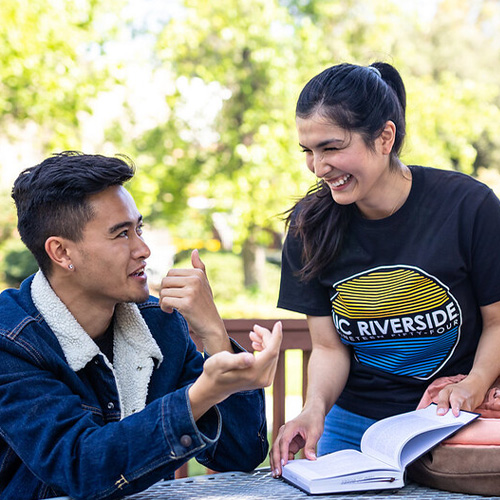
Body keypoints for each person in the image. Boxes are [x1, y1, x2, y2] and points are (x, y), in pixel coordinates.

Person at [0, 151, 282, 500]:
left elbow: (238, 455)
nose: (144, 249)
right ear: (61, 253)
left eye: (139, 228)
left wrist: (215, 336)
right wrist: (202, 395)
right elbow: (81, 466)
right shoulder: (10, 339)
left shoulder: (157, 323)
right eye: (121, 234)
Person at [270, 61, 500, 476]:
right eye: (309, 151)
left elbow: (498, 320)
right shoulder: (309, 227)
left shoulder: (469, 206)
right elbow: (327, 347)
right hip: (351, 425)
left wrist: (474, 384)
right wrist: (313, 410)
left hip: (449, 421)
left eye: (332, 147)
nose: (319, 167)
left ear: (384, 137)